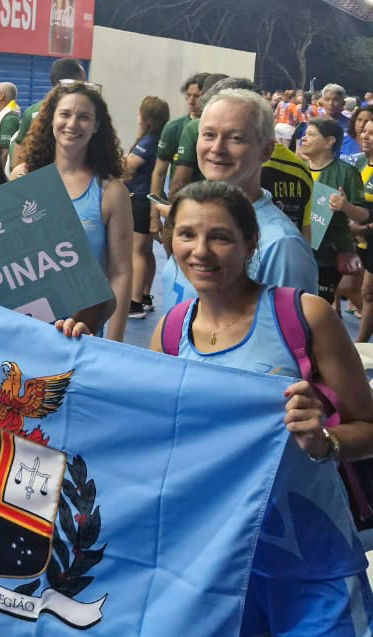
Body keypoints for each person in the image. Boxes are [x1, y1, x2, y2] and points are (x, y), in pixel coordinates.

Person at [149, 180, 373, 637]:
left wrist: (324, 441)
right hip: (217, 569)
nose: (201, 251)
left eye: (221, 237)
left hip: (316, 563)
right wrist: (71, 347)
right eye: (187, 234)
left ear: (251, 242)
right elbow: (145, 438)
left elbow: (369, 426)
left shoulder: (303, 315)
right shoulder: (169, 332)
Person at [160, 89, 317, 311]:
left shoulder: (281, 246)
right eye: (209, 135)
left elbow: (292, 339)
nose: (217, 149)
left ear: (266, 150)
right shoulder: (192, 217)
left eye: (235, 138)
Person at [14, 82, 133, 342]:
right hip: (26, 327)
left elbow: (121, 273)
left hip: (81, 332)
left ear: (96, 126)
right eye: (65, 114)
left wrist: (114, 344)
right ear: (51, 119)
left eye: (83, 117)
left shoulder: (110, 192)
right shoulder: (23, 178)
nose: (72, 124)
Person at [299, 117, 370, 304]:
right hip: (298, 250)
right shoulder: (298, 169)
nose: (303, 139)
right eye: (304, 135)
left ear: (329, 141)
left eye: (311, 135)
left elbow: (363, 215)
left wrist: (345, 206)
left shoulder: (346, 173)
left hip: (328, 255)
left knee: (319, 304)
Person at [124, 96, 169, 319]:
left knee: (137, 251)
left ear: (146, 116)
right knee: (145, 251)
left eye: (140, 111)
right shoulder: (154, 140)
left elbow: (128, 167)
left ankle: (134, 304)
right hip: (143, 198)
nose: (137, 115)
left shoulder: (148, 141)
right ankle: (144, 296)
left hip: (139, 199)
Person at [9, 57, 86, 171]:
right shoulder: (84, 110)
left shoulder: (32, 111)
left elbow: (19, 150)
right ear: (74, 82)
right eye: (83, 81)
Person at [167, 73, 229, 197]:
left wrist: (173, 213)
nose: (191, 101)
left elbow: (180, 182)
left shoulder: (193, 127)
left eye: (197, 96)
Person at [150, 73, 207, 204]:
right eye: (188, 95)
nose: (191, 101)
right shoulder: (174, 127)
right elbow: (159, 174)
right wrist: (154, 218)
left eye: (197, 96)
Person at [350, 117, 373, 343]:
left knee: (367, 291)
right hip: (356, 236)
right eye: (364, 132)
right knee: (346, 285)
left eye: (372, 133)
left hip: (366, 233)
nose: (365, 137)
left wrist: (362, 228)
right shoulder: (356, 163)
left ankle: (361, 342)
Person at [0, 82, 20, 167]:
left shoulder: (9, 120)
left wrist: (0, 178)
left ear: (1, 96)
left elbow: (5, 153)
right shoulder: (5, 117)